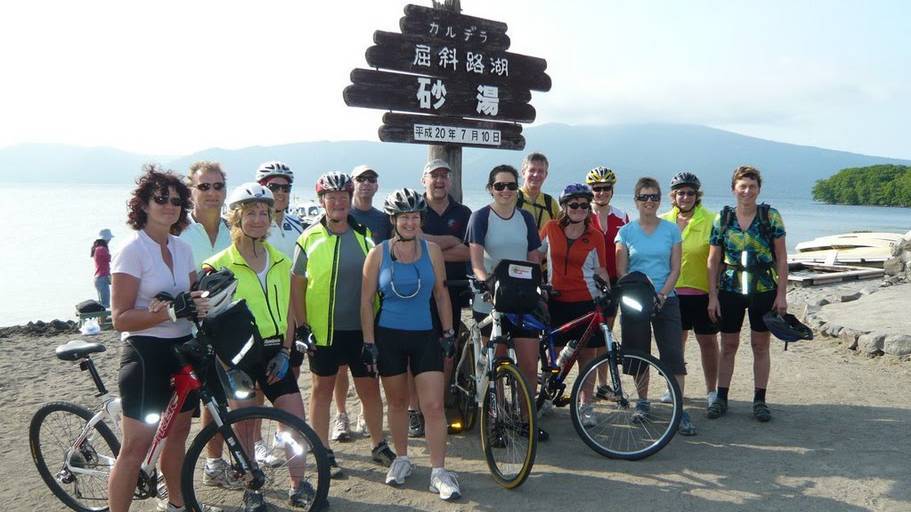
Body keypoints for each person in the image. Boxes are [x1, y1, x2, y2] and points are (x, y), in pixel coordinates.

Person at [202, 182, 315, 509]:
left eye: (264, 213)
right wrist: (227, 368)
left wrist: (285, 350)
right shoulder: (218, 265)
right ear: (236, 218)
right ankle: (253, 489)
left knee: (295, 417)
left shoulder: (281, 260)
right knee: (246, 426)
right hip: (237, 359)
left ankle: (298, 484)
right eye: (250, 213)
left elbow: (292, 311)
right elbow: (210, 323)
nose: (258, 219)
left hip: (274, 351)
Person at [108, 166, 211, 512]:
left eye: (177, 200)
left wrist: (204, 300)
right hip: (145, 350)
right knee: (136, 446)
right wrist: (166, 312)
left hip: (182, 349)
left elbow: (194, 299)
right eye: (161, 199)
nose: (170, 206)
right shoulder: (132, 249)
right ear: (144, 204)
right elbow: (119, 318)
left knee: (179, 435)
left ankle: (176, 504)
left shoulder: (182, 249)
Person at [291, 171, 395, 478]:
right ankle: (322, 449)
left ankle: (378, 444)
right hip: (323, 331)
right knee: (321, 390)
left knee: (369, 390)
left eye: (342, 197)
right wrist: (302, 326)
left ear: (350, 200)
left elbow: (377, 281)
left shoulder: (365, 236)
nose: (337, 202)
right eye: (331, 197)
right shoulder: (308, 238)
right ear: (322, 201)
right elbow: (296, 286)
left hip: (360, 329)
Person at [361, 188, 461, 500]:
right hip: (388, 335)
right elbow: (365, 301)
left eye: (415, 216)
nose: (410, 222)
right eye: (404, 216)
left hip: (425, 334)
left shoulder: (431, 250)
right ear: (393, 219)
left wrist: (448, 332)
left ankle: (439, 471)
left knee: (432, 405)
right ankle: (402, 459)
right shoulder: (378, 253)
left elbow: (441, 294)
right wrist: (368, 342)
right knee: (398, 402)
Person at [465, 164, 547, 440]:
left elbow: (534, 256)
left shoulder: (525, 218)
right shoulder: (480, 218)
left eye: (511, 185)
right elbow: (476, 259)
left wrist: (539, 282)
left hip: (522, 300)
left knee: (528, 364)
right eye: (499, 186)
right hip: (490, 301)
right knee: (496, 363)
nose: (506, 191)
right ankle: (498, 419)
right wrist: (484, 281)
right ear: (491, 189)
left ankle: (526, 420)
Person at [707, 165, 787, 423]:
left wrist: (782, 294)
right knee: (728, 345)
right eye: (742, 186)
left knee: (760, 345)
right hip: (730, 288)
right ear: (734, 189)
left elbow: (782, 257)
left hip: (763, 289)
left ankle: (760, 400)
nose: (747, 191)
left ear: (758, 189)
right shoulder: (723, 219)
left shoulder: (770, 217)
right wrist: (712, 296)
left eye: (752, 186)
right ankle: (721, 398)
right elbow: (713, 260)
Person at [615, 177, 693, 436]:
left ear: (660, 200)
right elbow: (622, 271)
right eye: (644, 197)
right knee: (638, 353)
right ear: (636, 201)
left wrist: (661, 294)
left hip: (666, 299)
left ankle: (679, 408)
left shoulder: (671, 230)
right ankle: (643, 402)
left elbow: (675, 268)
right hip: (635, 300)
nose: (649, 201)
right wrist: (638, 296)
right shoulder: (625, 233)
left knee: (673, 354)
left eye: (654, 197)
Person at [537, 184, 609, 429]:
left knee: (586, 357)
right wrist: (536, 284)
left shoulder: (595, 236)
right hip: (555, 300)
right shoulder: (551, 228)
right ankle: (545, 397)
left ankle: (585, 405)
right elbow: (534, 256)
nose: (579, 209)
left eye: (583, 205)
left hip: (586, 301)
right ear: (564, 207)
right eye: (574, 204)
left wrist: (607, 293)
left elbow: (601, 270)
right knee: (552, 354)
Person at [330, 163, 390, 443]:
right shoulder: (342, 213)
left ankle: (365, 414)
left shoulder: (383, 219)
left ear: (377, 185)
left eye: (371, 178)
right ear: (353, 185)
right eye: (360, 179)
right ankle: (341, 414)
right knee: (340, 366)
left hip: (372, 300)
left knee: (371, 361)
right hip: (339, 300)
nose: (366, 183)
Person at [414, 159, 472, 437]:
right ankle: (416, 410)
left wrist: (428, 245)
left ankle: (440, 399)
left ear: (450, 181)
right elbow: (412, 244)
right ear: (423, 179)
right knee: (416, 350)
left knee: (447, 349)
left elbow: (467, 252)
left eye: (443, 176)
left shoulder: (464, 212)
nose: (438, 181)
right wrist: (449, 240)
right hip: (417, 291)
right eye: (433, 176)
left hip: (454, 289)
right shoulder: (415, 207)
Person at [660, 172, 720, 418]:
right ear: (673, 196)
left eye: (690, 193)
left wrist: (714, 295)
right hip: (672, 293)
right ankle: (673, 387)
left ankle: (711, 391)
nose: (685, 197)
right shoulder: (663, 221)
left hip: (702, 292)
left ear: (697, 196)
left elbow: (717, 260)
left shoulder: (712, 220)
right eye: (680, 192)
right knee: (675, 344)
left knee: (707, 343)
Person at [256, 161, 310, 380]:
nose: (280, 192)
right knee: (257, 385)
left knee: (291, 378)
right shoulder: (252, 226)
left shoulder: (299, 225)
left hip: (292, 315)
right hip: (260, 313)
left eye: (285, 188)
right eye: (273, 186)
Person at [586, 166, 629, 398]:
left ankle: (603, 384)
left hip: (612, 282)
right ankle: (588, 385)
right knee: (589, 336)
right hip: (587, 282)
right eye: (596, 188)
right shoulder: (581, 213)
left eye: (606, 188)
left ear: (612, 191)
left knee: (606, 334)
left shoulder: (622, 216)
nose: (601, 192)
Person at [179, 161, 231, 272]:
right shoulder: (174, 232)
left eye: (218, 186)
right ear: (190, 193)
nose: (212, 192)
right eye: (204, 187)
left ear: (225, 192)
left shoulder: (236, 233)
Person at [517, 152, 560, 231]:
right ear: (523, 173)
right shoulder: (513, 199)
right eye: (532, 170)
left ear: (545, 175)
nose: (536, 174)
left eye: (540, 171)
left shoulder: (550, 203)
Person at [91, 229, 113, 308]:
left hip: (100, 278)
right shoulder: (102, 249)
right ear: (106, 239)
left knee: (102, 304)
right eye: (109, 238)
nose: (110, 240)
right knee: (105, 304)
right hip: (102, 278)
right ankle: (103, 320)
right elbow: (111, 259)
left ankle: (101, 320)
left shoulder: (97, 248)